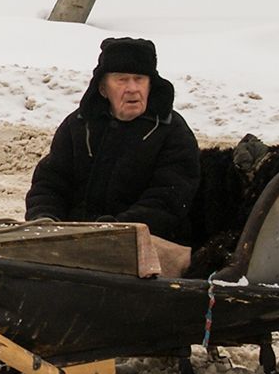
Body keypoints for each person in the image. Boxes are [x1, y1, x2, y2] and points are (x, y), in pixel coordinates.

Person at [27, 37, 200, 276]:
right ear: (103, 88)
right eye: (122, 79)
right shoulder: (78, 126)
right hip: (73, 242)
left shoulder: (173, 132)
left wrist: (112, 231)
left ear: (150, 85)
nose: (132, 88)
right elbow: (50, 182)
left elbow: (168, 200)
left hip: (145, 249)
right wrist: (46, 221)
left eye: (139, 79)